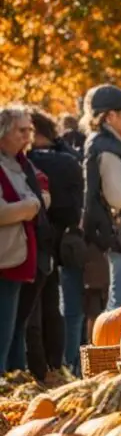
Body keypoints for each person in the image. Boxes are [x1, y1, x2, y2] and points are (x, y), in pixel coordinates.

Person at [80, 85, 121, 310]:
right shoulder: (107, 150)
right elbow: (117, 197)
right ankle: (113, 345)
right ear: (108, 116)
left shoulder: (111, 145)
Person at [26, 109, 83, 375]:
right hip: (59, 240)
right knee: (54, 305)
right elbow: (73, 208)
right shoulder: (70, 159)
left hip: (33, 237)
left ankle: (36, 370)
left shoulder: (29, 162)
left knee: (31, 314)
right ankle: (56, 366)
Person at [0, 106, 48, 374]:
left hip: (16, 261)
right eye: (21, 130)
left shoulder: (19, 164)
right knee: (3, 332)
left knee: (13, 329)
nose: (27, 136)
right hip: (5, 260)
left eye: (29, 130)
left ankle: (12, 382)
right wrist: (30, 206)